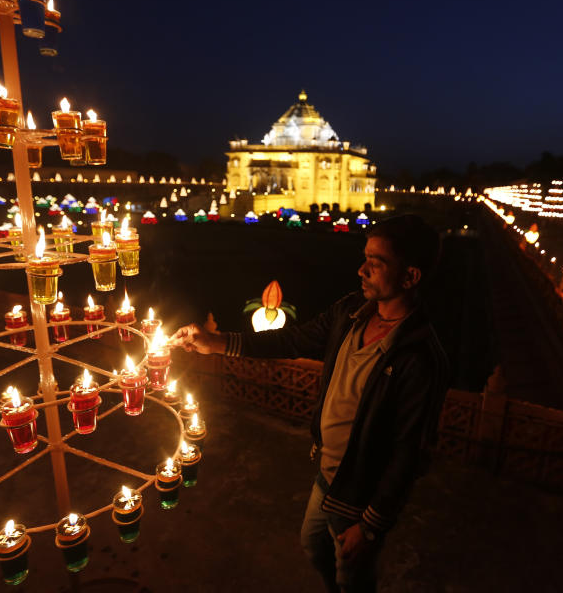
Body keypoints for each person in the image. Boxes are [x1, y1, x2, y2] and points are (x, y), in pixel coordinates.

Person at [171, 214, 449, 592]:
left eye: (376, 263)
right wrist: (214, 343)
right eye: (364, 257)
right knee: (312, 544)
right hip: (327, 473)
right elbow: (290, 341)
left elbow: (409, 451)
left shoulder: (419, 358)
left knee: (353, 573)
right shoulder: (350, 314)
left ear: (410, 277)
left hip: (359, 489)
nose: (361, 270)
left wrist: (369, 526)